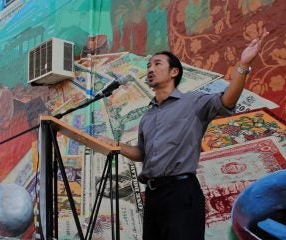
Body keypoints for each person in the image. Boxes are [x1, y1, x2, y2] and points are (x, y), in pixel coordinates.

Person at [100, 32, 269, 240]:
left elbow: (227, 101)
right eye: (148, 66)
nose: (150, 69)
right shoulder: (147, 116)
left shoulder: (193, 102)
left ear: (174, 72)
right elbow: (141, 153)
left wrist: (243, 65)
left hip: (181, 192)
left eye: (157, 64)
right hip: (153, 195)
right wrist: (116, 145)